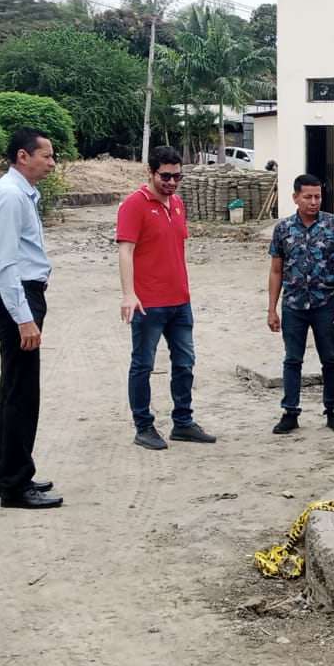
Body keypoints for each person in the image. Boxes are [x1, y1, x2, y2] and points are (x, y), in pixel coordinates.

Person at [0, 128, 62, 509]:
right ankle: (16, 484)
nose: (52, 163)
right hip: (16, 297)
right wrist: (24, 318)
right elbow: (6, 263)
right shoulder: (11, 196)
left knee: (12, 390)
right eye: (46, 155)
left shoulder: (18, 193)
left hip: (20, 295)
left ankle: (7, 475)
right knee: (22, 395)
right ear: (22, 156)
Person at [117, 145, 218, 449]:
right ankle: (144, 426)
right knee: (143, 365)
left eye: (177, 176)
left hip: (179, 301)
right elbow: (125, 250)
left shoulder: (176, 203)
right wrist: (129, 294)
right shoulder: (133, 205)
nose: (172, 182)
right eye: (165, 176)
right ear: (150, 172)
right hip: (148, 303)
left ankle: (183, 422)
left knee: (185, 363)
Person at [267, 174, 334, 434]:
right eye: (308, 197)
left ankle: (333, 411)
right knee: (292, 359)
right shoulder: (283, 229)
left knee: (330, 359)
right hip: (293, 305)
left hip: (325, 303)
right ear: (295, 197)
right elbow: (276, 270)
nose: (314, 202)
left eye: (317, 196)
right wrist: (272, 309)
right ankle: (290, 412)